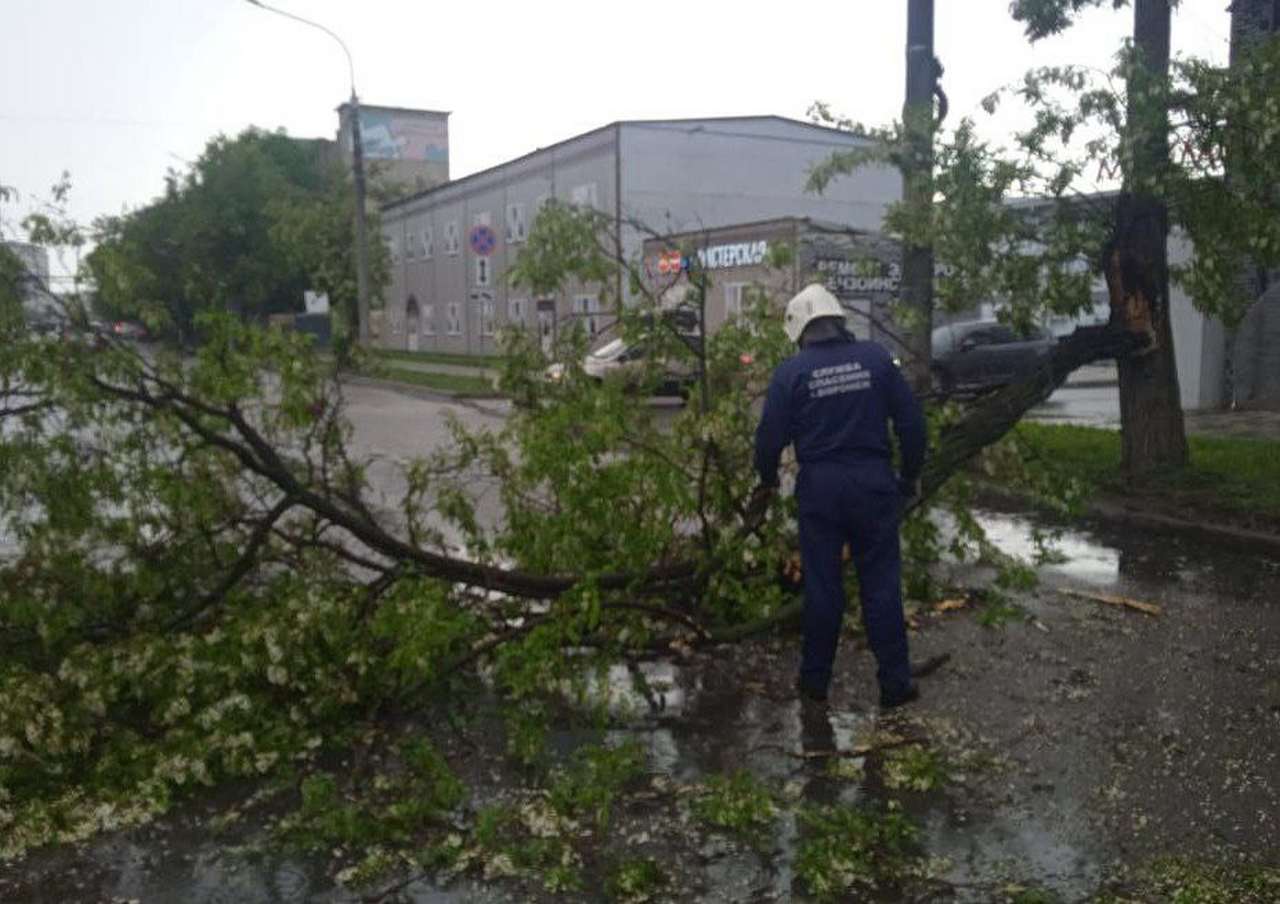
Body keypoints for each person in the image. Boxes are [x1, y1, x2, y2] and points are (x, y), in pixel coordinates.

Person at [751, 284, 926, 709]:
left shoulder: (790, 374)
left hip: (821, 491)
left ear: (799, 331)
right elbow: (913, 425)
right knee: (881, 586)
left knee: (824, 588)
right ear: (837, 319)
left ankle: (814, 684)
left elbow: (768, 439)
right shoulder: (876, 359)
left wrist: (769, 480)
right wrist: (909, 479)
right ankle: (895, 685)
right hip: (873, 483)